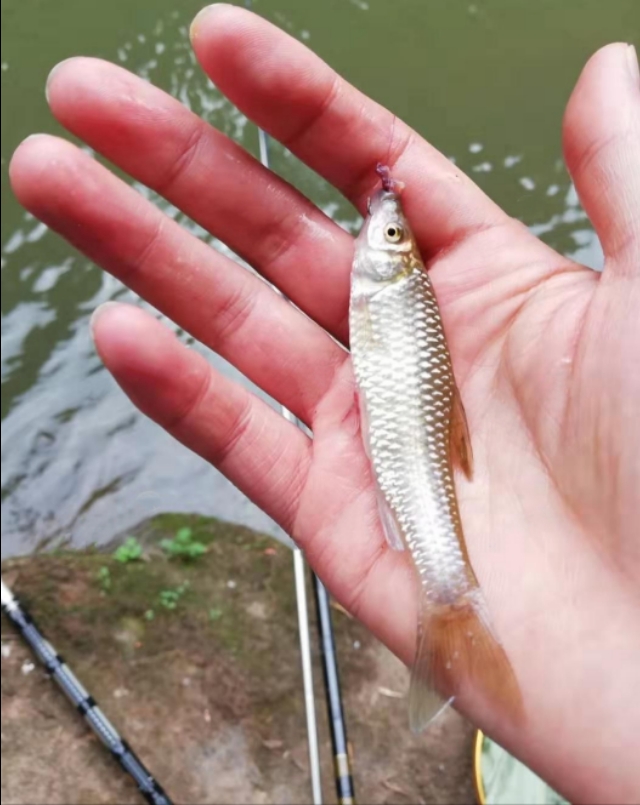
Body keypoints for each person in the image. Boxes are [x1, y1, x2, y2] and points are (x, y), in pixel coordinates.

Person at [9, 5, 639, 803]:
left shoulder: (393, 290)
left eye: (392, 240)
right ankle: (455, 625)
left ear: (394, 265)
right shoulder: (393, 291)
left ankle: (451, 609)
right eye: (391, 237)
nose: (384, 234)